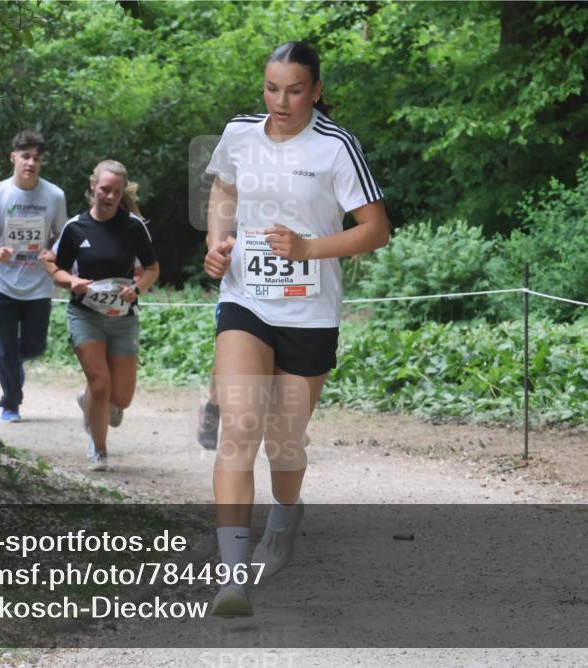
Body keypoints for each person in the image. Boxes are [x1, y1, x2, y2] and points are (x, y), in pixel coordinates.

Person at [203, 41, 389, 616]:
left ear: (316, 91)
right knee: (238, 429)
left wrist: (309, 248)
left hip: (309, 312)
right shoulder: (239, 133)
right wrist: (217, 242)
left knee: (284, 444)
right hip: (246, 301)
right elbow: (224, 189)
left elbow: (376, 230)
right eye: (271, 88)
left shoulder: (336, 147)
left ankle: (285, 518)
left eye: (294, 90)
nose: (280, 101)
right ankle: (232, 575)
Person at [48, 160, 159, 471]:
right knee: (100, 383)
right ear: (92, 188)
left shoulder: (134, 227)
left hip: (123, 317)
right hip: (86, 314)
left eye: (116, 192)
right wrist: (72, 282)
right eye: (104, 189)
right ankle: (99, 449)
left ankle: (90, 404)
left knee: (120, 399)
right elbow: (55, 269)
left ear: (123, 194)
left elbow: (152, 269)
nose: (109, 196)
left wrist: (136, 289)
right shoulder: (75, 228)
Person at [0, 130, 67, 422]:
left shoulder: (54, 195)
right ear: (13, 157)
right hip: (1, 284)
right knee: (3, 349)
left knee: (34, 346)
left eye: (36, 158)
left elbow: (63, 235)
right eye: (25, 156)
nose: (31, 163)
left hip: (38, 286)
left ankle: (13, 364)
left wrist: (53, 253)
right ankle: (10, 401)